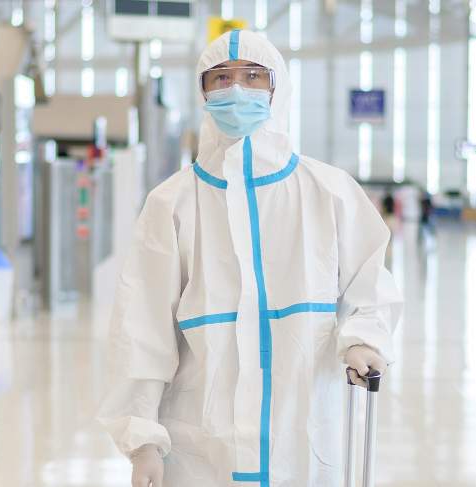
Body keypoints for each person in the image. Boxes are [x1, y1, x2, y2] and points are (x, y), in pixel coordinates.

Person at [98, 30, 403, 487]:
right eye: (220, 78)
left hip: (302, 434)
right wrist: (142, 439)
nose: (236, 89)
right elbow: (142, 326)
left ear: (278, 88)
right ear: (202, 92)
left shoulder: (328, 190)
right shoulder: (173, 202)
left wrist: (362, 338)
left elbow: (368, 280)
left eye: (253, 76)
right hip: (200, 440)